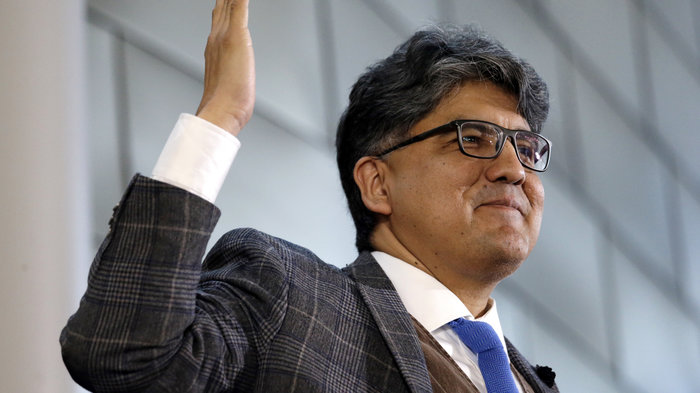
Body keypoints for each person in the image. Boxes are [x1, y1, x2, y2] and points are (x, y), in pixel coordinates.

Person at [61, 0, 558, 392]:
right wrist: (220, 116)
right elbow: (123, 352)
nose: (513, 169)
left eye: (527, 147)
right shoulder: (288, 297)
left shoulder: (533, 382)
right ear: (377, 183)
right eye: (473, 138)